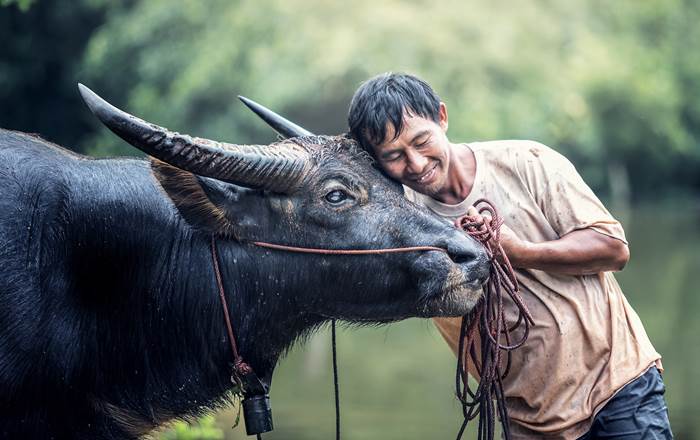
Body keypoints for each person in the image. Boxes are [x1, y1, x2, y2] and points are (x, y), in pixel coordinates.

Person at [347, 73, 672, 439]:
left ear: (442, 117)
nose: (417, 164)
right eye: (394, 156)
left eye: (422, 142)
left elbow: (613, 248)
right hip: (527, 418)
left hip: (616, 387)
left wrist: (523, 253)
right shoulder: (403, 222)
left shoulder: (528, 162)